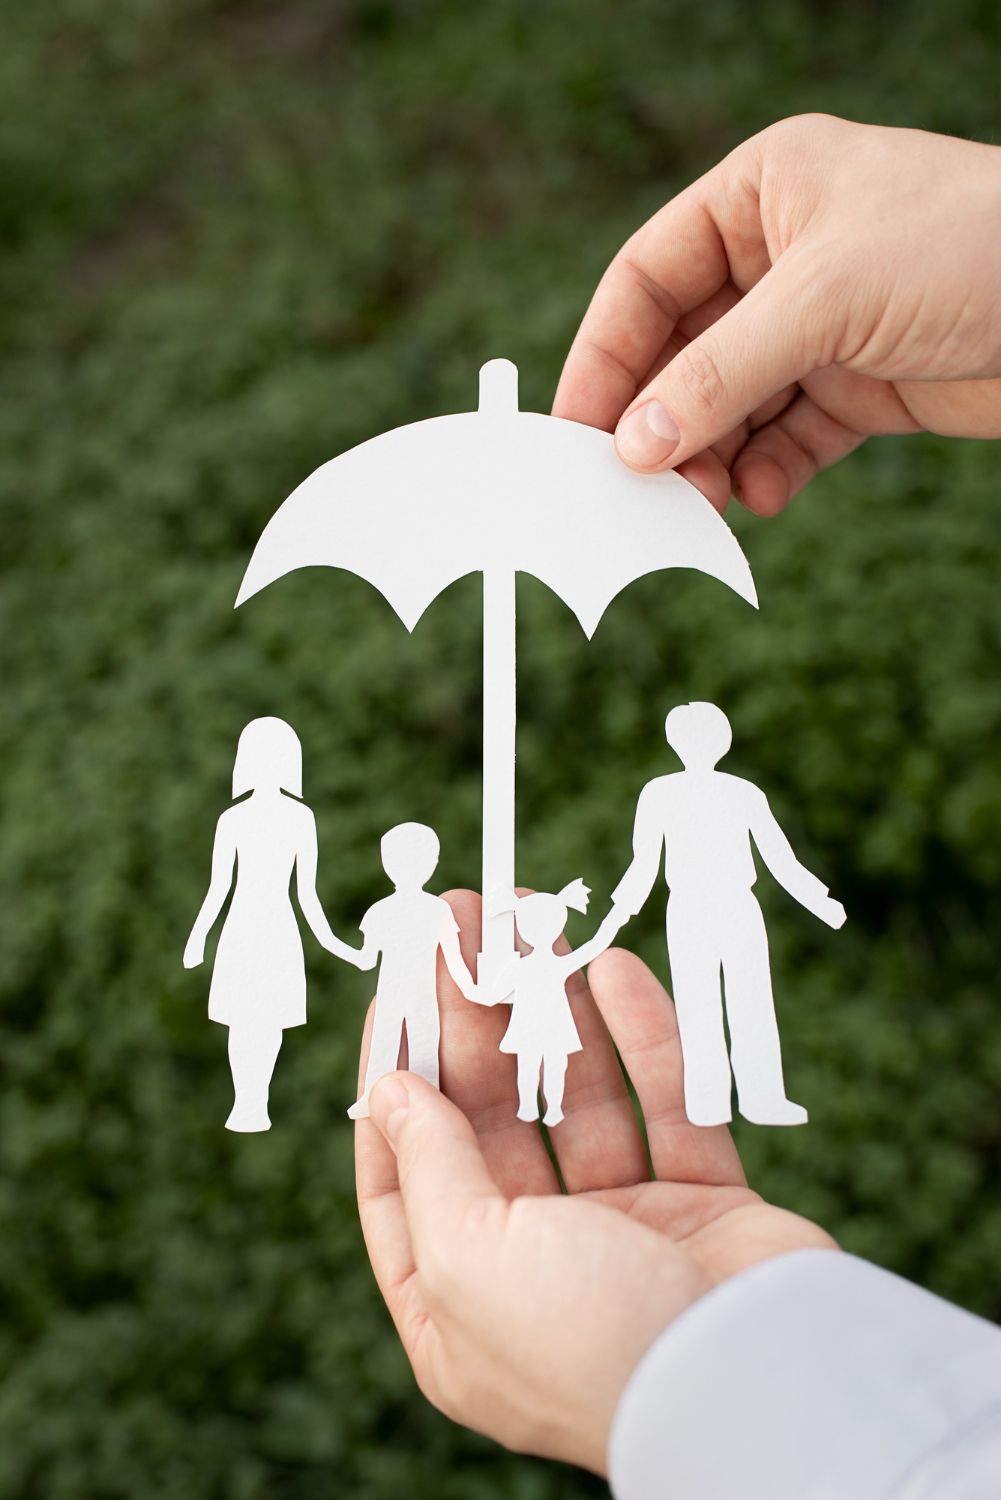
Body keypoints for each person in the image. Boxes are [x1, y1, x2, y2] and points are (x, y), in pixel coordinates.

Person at [353, 116, 1001, 1496]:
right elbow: (648, 872)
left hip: (721, 942)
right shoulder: (660, 808)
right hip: (680, 935)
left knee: (718, 1008)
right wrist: (600, 926)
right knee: (665, 1006)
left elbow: (752, 850)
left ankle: (743, 1071)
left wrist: (683, 1383)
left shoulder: (714, 796)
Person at [613, 701, 845, 1127]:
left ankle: (763, 1099)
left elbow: (780, 858)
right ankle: (707, 1102)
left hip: (738, 906)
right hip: (688, 908)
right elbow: (643, 863)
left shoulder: (743, 793)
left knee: (752, 1001)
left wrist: (821, 902)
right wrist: (619, 912)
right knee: (697, 1004)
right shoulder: (659, 793)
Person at [183, 717, 358, 1132]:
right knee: (242, 1017)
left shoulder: (301, 818)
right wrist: (197, 937)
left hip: (278, 926)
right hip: (242, 927)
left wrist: (338, 945)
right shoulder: (232, 819)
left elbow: (307, 894)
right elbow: (219, 887)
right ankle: (244, 1100)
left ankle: (257, 1099)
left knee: (269, 1017)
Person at [346, 822, 479, 1120]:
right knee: (386, 1039)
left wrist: (471, 988)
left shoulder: (437, 909)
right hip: (394, 989)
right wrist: (330, 941)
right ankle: (372, 1096)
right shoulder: (381, 911)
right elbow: (367, 959)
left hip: (422, 991)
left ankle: (428, 1096)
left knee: (423, 1043)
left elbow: (454, 957)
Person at [483, 879, 623, 1125]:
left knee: (538, 1065)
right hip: (544, 1022)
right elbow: (594, 945)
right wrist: (617, 916)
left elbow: (492, 995)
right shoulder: (543, 966)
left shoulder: (524, 967)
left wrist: (617, 916)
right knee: (545, 1065)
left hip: (545, 1022)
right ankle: (537, 1107)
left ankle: (540, 1107)